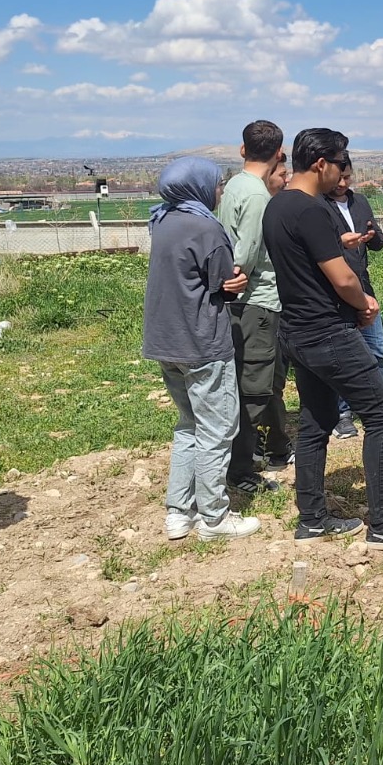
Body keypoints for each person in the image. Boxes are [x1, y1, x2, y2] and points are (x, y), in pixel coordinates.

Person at [264, 129, 383, 549]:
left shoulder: (277, 206)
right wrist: (364, 300)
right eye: (340, 163)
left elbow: (304, 264)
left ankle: (311, 519)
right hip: (328, 331)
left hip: (295, 331)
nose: (342, 173)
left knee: (316, 420)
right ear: (320, 164)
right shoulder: (311, 210)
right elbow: (342, 276)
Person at [144, 157, 262, 543]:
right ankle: (214, 517)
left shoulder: (162, 220)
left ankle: (179, 513)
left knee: (188, 426)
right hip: (202, 342)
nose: (219, 192)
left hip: (166, 341)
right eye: (216, 185)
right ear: (198, 187)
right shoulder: (206, 228)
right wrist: (236, 283)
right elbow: (225, 284)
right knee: (217, 428)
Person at [215, 120, 294, 486]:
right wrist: (236, 277)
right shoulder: (259, 196)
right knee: (256, 387)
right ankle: (241, 468)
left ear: (243, 149)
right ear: (279, 154)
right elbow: (245, 253)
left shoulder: (234, 185)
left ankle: (247, 454)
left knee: (245, 378)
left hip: (238, 302)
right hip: (257, 300)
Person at [324, 158, 383, 438]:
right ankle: (343, 414)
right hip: (335, 292)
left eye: (347, 177)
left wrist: (373, 235)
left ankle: (378, 409)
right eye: (338, 177)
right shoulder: (317, 205)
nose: (342, 184)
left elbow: (377, 244)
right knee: (344, 356)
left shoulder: (359, 202)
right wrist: (340, 242)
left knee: (375, 351)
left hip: (364, 289)